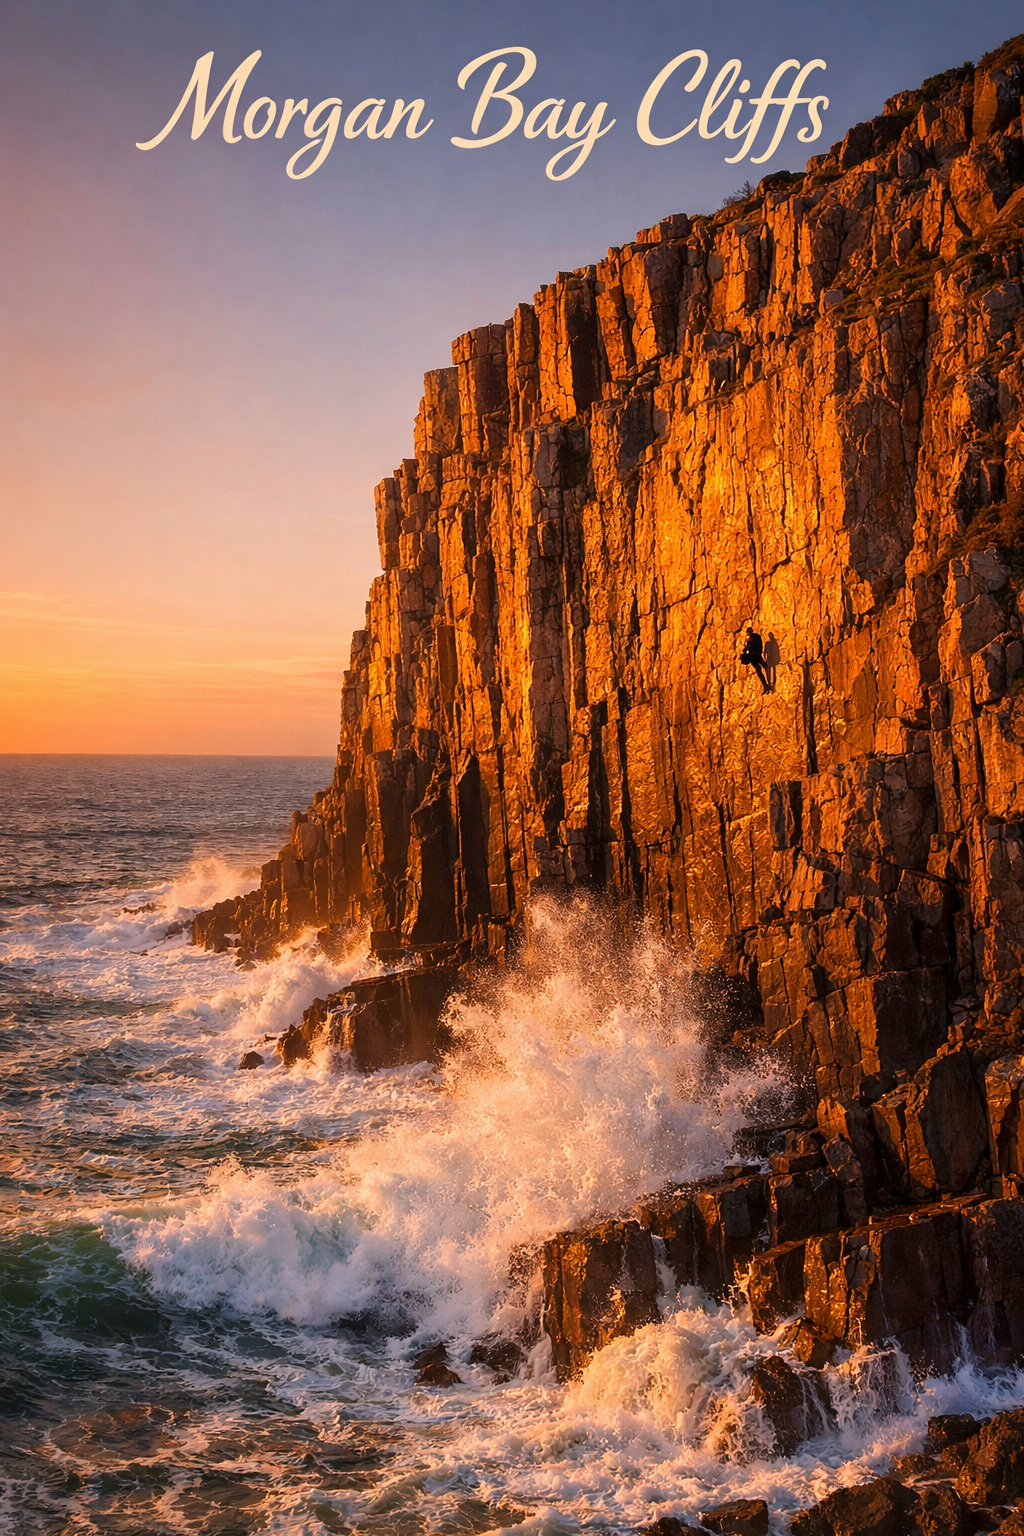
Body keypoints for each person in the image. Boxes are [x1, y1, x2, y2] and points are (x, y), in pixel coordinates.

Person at [740, 627, 771, 693]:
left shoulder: (756, 637)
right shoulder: (748, 639)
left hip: (756, 655)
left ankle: (769, 681)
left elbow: (758, 645)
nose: (748, 633)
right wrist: (745, 650)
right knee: (758, 670)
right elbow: (747, 647)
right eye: (748, 632)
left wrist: (756, 651)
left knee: (764, 666)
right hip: (752, 657)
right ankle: (765, 685)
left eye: (749, 631)